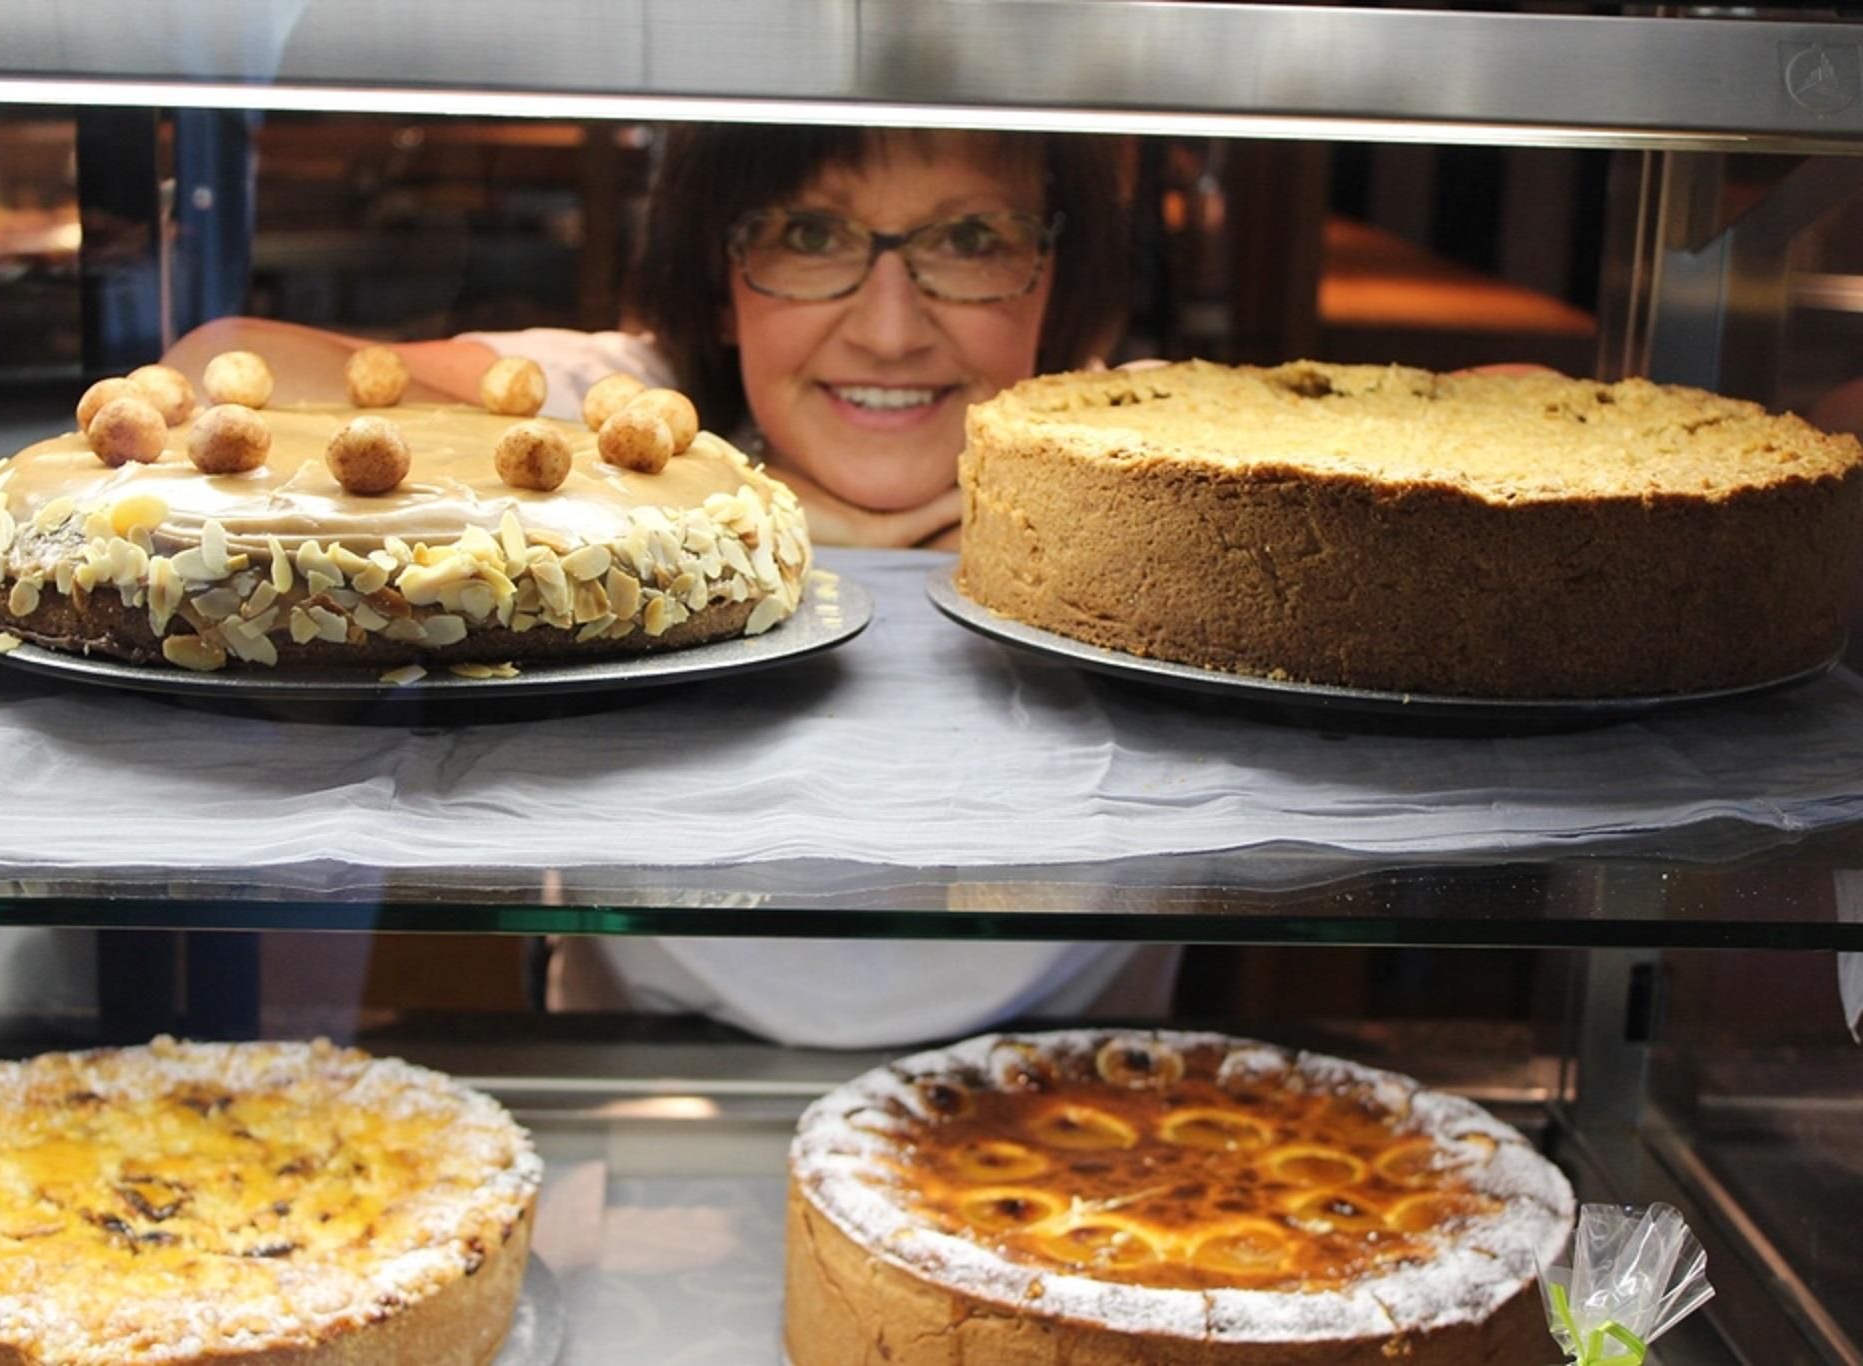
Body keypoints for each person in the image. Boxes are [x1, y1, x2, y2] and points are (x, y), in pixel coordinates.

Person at [165, 123, 1180, 1047]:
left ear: (1056, 281)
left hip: (1094, 1121)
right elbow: (218, 364)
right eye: (809, 234)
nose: (887, 330)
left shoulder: (1161, 463)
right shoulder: (631, 413)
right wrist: (737, 507)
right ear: (719, 280)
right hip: (635, 1091)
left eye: (970, 240)